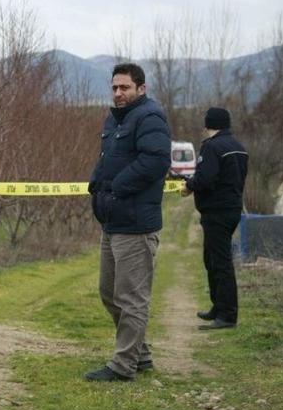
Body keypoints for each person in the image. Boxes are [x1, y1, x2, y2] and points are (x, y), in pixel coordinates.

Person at [87, 63, 172, 381]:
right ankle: (142, 354)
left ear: (141, 89)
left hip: (136, 223)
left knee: (131, 298)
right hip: (112, 221)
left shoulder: (149, 117)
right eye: (115, 87)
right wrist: (95, 184)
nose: (119, 93)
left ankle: (123, 366)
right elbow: (106, 158)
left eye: (125, 87)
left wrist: (118, 188)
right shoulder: (115, 119)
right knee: (109, 292)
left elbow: (156, 160)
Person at [181, 107, 248, 330]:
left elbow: (206, 178)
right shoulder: (239, 147)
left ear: (208, 125)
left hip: (216, 212)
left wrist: (189, 186)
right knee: (211, 259)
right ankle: (218, 307)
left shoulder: (211, 146)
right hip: (232, 209)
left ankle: (227, 316)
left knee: (220, 263)